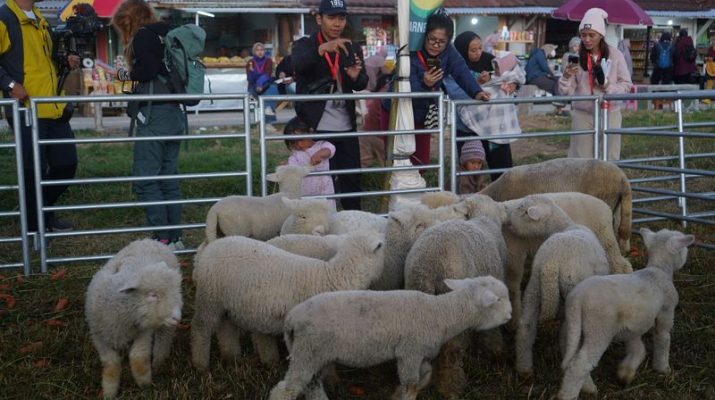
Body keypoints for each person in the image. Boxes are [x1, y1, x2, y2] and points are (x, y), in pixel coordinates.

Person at [0, 0, 80, 233]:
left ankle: (40, 210)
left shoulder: (39, 18)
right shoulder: (5, 17)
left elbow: (43, 62)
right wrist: (10, 84)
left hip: (53, 106)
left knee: (67, 164)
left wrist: (64, 61)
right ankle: (35, 227)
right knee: (33, 169)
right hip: (26, 108)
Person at [113, 0, 186, 249]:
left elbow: (148, 70)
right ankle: (175, 237)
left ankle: (162, 238)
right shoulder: (167, 33)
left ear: (129, 20)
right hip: (175, 114)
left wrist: (124, 74)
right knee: (168, 178)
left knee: (146, 179)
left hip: (154, 116)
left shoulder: (144, 35)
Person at [292, 0, 368, 210]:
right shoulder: (304, 44)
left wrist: (355, 77)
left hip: (346, 128)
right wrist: (322, 49)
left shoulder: (351, 46)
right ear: (319, 19)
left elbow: (362, 82)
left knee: (351, 180)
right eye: (331, 17)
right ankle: (322, 229)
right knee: (320, 183)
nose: (337, 23)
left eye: (341, 18)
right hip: (316, 129)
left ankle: (354, 224)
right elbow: (297, 65)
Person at [409, 11, 489, 169]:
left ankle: (417, 190)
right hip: (401, 110)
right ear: (424, 35)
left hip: (423, 113)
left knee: (421, 162)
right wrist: (424, 84)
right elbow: (405, 84)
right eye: (432, 39)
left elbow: (461, 72)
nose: (435, 45)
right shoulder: (411, 49)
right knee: (399, 156)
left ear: (448, 42)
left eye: (441, 42)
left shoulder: (449, 52)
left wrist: (477, 92)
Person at [559, 7, 633, 161]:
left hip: (610, 112)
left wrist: (607, 86)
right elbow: (566, 92)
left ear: (601, 35)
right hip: (583, 114)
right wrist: (565, 77)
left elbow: (626, 85)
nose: (587, 39)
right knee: (580, 159)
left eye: (591, 35)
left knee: (610, 158)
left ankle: (608, 186)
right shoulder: (575, 58)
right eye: (583, 35)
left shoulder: (616, 55)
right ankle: (582, 185)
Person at [446, 52, 522, 183]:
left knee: (500, 163)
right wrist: (477, 84)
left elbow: (511, 72)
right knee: (471, 167)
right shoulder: (455, 65)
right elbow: (455, 92)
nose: (477, 52)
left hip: (496, 124)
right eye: (472, 49)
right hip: (468, 128)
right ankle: (471, 194)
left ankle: (502, 192)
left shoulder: (489, 61)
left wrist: (514, 83)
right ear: (463, 48)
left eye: (479, 47)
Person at [283, 116, 337, 211]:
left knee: (327, 212)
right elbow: (292, 166)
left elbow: (330, 149)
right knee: (309, 214)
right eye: (294, 143)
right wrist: (284, 166)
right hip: (306, 192)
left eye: (301, 140)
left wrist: (320, 154)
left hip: (324, 190)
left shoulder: (321, 145)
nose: (298, 145)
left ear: (310, 132)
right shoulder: (296, 155)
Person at [247, 42, 278, 133]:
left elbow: (267, 74)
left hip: (265, 85)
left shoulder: (268, 61)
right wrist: (253, 73)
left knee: (273, 89)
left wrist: (259, 83)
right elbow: (250, 79)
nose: (260, 52)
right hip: (253, 87)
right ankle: (263, 123)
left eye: (262, 50)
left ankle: (267, 122)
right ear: (254, 52)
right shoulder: (250, 62)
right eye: (257, 50)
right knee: (255, 96)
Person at [703, 34, 715, 104]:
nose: (713, 41)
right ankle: (708, 98)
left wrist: (712, 59)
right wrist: (706, 59)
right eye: (712, 40)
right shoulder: (710, 48)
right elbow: (707, 56)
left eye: (714, 40)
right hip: (709, 68)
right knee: (709, 83)